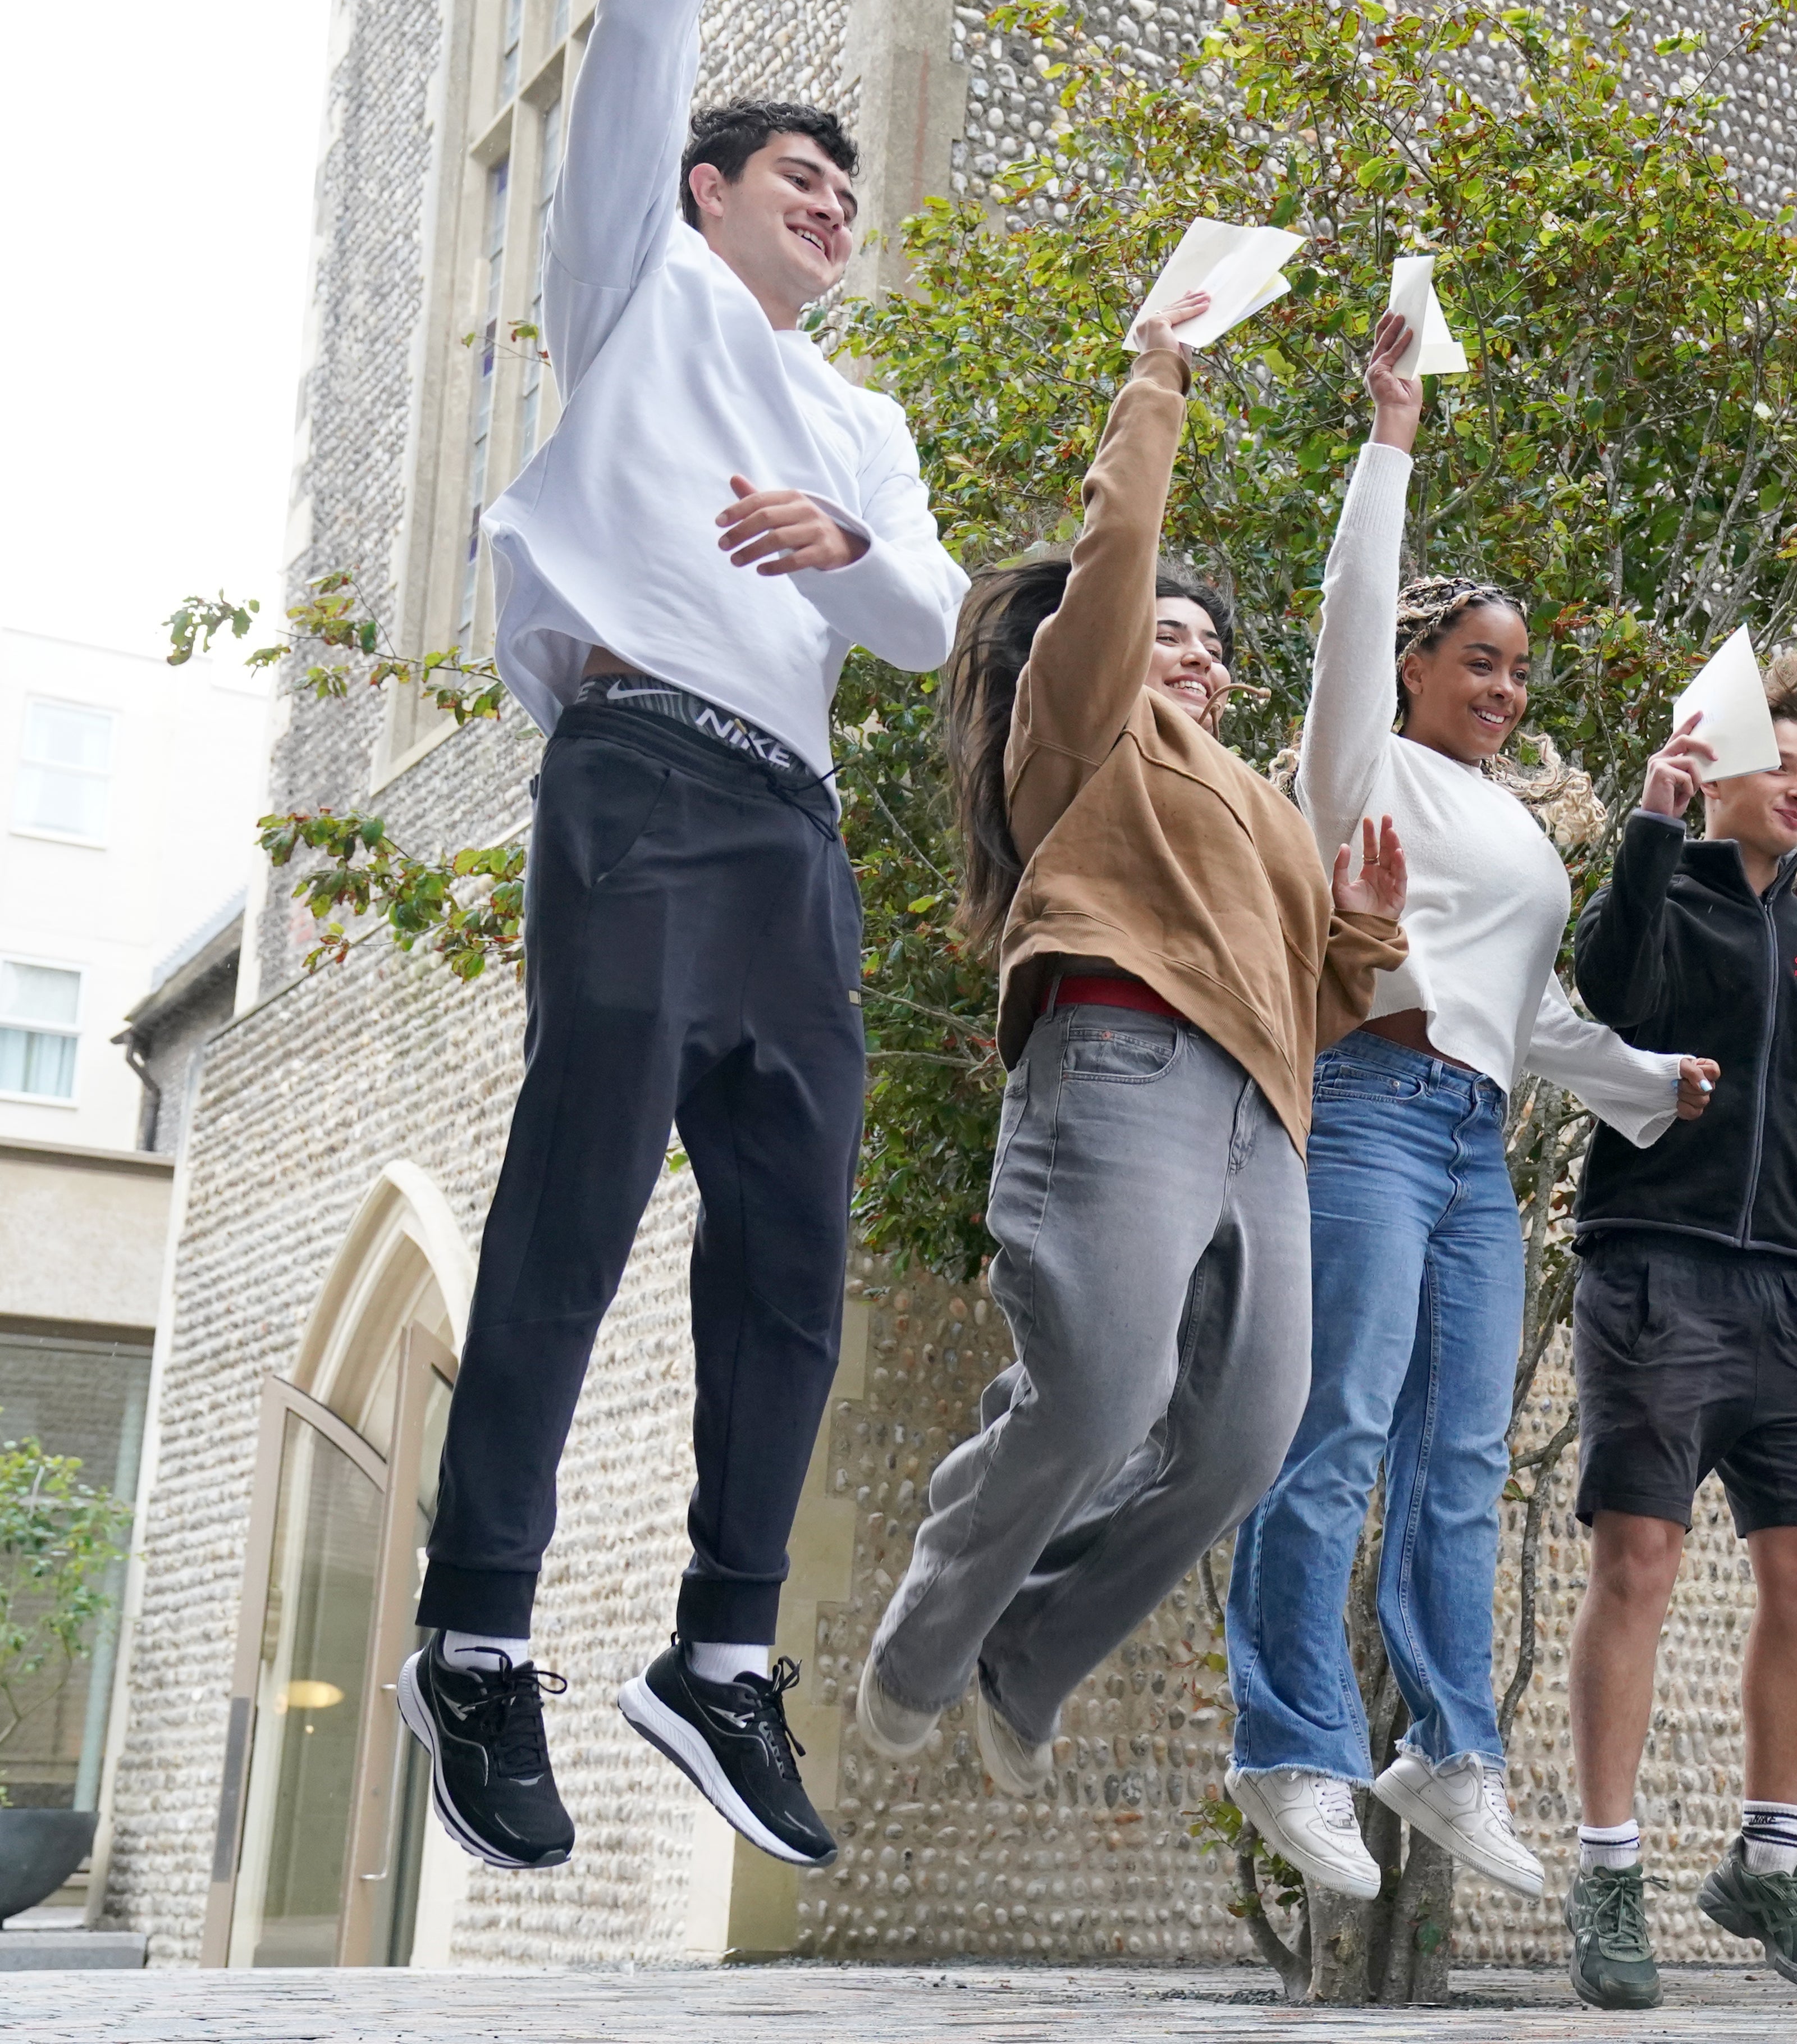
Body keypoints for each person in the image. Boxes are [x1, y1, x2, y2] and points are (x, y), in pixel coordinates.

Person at [400, 0, 970, 1874]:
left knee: (795, 1256)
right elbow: (637, 59)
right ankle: (477, 1635)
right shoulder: (634, 289)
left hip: (788, 838)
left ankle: (721, 1656)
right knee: (574, 1207)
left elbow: (930, 624)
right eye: (796, 177)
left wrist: (843, 546)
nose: (830, 204)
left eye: (845, 190)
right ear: (704, 195)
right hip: (639, 776)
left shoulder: (863, 418)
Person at [849, 296, 1413, 1798]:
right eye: (1172, 631)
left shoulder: (1263, 811)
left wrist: (1355, 932)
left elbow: (1306, 1007)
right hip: (1123, 1067)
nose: (1200, 655)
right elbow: (1116, 560)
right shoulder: (1082, 729)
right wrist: (1157, 377)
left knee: (1242, 1439)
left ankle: (1027, 1658)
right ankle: (926, 1635)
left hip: (1262, 1117)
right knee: (1099, 1393)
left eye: (1215, 647)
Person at [1222, 319, 1714, 1903]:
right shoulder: (1358, 769)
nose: (1504, 688)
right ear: (1418, 671)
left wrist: (1649, 1086)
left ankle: (1446, 1753)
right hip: (1366, 1109)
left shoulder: (1514, 831)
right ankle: (1289, 1745)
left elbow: (1540, 1011)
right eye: (1478, 661)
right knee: (1342, 1431)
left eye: (1519, 671)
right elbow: (1348, 617)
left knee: (1463, 1461)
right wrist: (1391, 438)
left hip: (1474, 1148)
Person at [1556, 663, 1797, 2009]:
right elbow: (1613, 988)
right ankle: (1608, 1866)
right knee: (1638, 1560)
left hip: (1783, 1290)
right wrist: (1650, 821)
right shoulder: (1668, 891)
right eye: (1785, 766)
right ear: (1721, 776)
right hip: (1652, 1266)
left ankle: (1769, 1855)